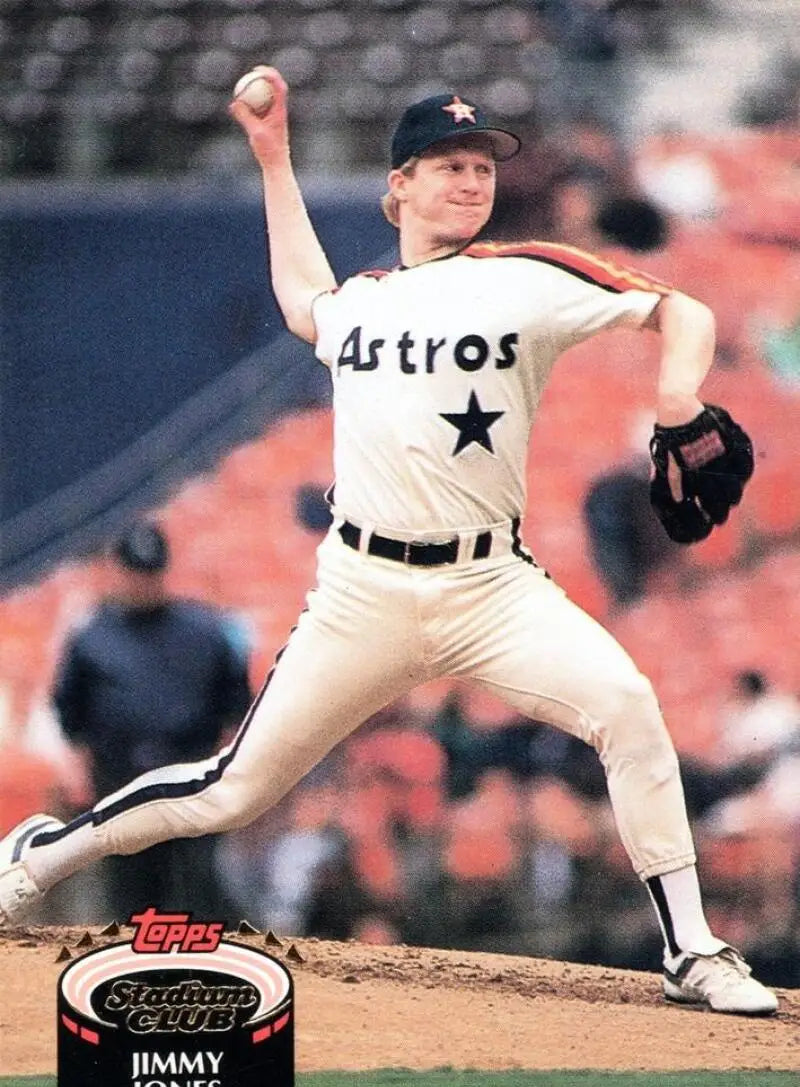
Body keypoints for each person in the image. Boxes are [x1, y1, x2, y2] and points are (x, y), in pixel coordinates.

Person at [0, 71, 777, 1016]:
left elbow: (680, 310)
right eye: (448, 163)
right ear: (397, 187)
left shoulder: (527, 276)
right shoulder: (360, 303)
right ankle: (46, 854)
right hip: (362, 591)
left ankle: (692, 949)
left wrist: (676, 400)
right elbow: (301, 296)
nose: (472, 179)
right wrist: (274, 157)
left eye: (483, 164)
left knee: (629, 707)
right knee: (228, 794)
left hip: (492, 586)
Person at [48, 520, 252, 920]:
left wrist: (225, 766)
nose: (143, 583)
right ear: (119, 572)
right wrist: (79, 766)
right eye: (135, 573)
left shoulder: (205, 632)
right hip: (119, 775)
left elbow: (236, 704)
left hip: (190, 773)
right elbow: (69, 710)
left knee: (195, 884)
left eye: (150, 574)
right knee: (129, 886)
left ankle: (199, 970)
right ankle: (135, 970)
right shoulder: (91, 636)